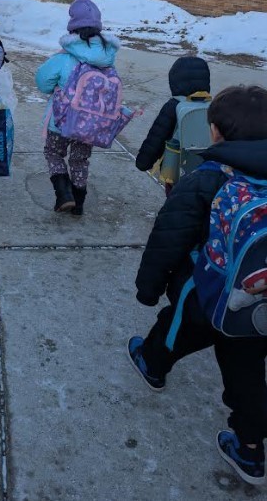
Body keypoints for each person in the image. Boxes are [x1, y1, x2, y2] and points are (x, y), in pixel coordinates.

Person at [128, 85, 267, 486]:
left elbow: (169, 237)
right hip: (259, 305)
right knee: (247, 368)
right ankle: (251, 450)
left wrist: (148, 287)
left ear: (216, 134)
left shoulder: (209, 177)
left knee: (177, 328)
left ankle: (152, 365)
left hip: (212, 291)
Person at [35, 0, 120, 216]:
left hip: (61, 121)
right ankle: (79, 203)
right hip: (91, 124)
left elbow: (43, 82)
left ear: (72, 28)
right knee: (80, 159)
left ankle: (64, 195)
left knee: (53, 152)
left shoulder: (64, 58)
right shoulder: (108, 59)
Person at [135, 56, 211, 194]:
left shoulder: (174, 106)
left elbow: (157, 136)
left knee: (176, 198)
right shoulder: (214, 106)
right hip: (206, 171)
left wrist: (143, 162)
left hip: (176, 171)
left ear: (174, 81)